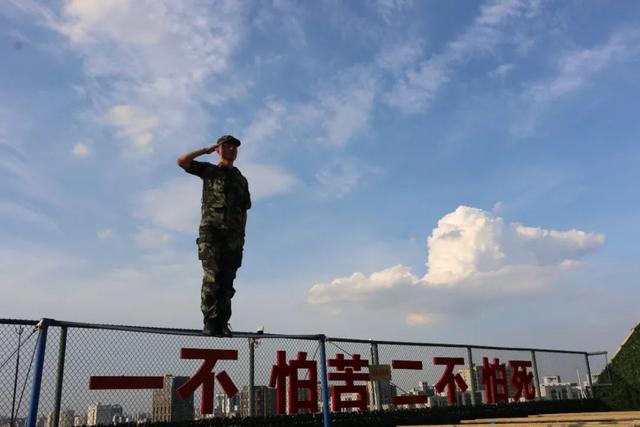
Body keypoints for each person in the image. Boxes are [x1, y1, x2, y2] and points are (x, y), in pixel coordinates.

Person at [176, 135, 251, 337]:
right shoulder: (210, 171)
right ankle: (210, 321)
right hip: (212, 231)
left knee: (227, 281)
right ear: (219, 150)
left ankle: (223, 323)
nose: (232, 150)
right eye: (226, 146)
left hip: (234, 236)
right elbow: (182, 161)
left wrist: (242, 235)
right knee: (212, 276)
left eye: (234, 147)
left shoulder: (241, 180)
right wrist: (205, 150)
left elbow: (244, 210)